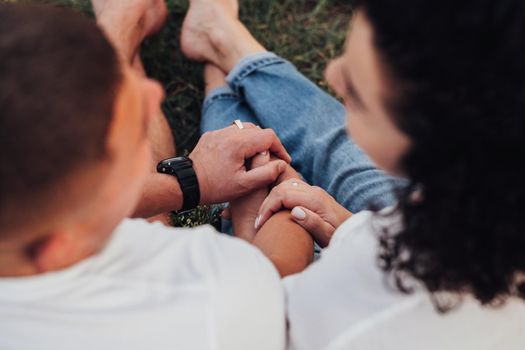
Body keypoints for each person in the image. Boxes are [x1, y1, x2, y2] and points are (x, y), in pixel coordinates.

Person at [180, 0, 525, 349]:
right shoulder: (483, 199)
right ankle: (224, 49)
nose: (330, 74)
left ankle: (221, 67)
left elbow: (253, 319)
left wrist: (255, 221)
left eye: (355, 94)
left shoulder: (368, 315)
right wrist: (347, 225)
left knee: (305, 161)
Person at [0, 1, 325, 348]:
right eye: (130, 132)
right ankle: (123, 24)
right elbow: (279, 276)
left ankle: (121, 27)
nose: (152, 95)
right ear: (63, 245)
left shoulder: (36, 238)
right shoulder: (204, 297)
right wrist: (285, 194)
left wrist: (195, 178)